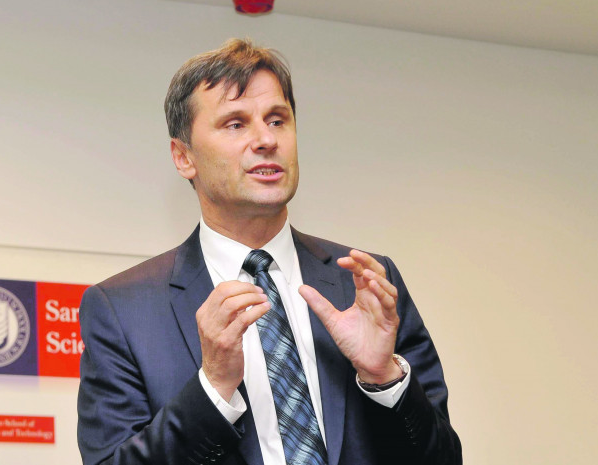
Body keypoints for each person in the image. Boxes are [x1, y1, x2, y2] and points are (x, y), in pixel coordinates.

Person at [77, 38, 462, 465]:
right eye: (235, 124)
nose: (266, 139)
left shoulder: (363, 282)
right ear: (183, 157)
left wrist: (383, 377)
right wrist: (213, 389)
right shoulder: (122, 310)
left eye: (278, 120)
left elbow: (443, 459)